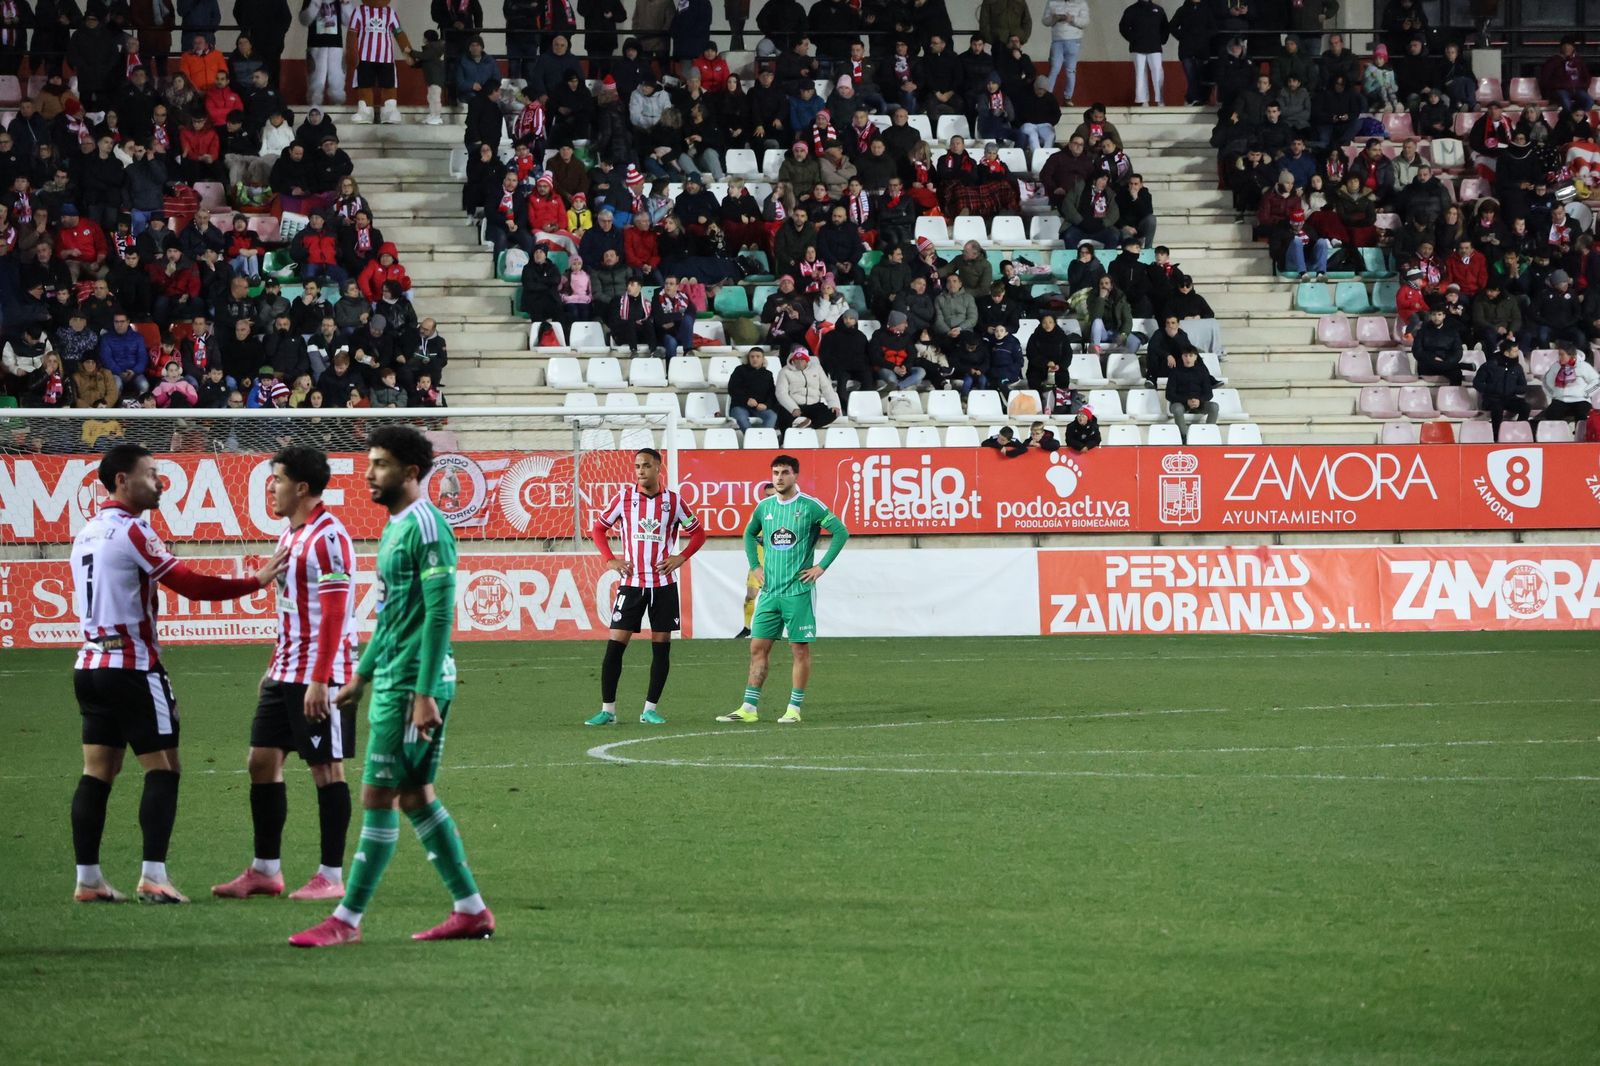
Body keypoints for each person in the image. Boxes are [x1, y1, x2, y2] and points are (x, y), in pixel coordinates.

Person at [290, 426, 493, 947]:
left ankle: (346, 920)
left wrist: (423, 692)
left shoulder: (427, 526)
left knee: (379, 795)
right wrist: (361, 675)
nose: (368, 473)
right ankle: (470, 909)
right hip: (394, 681)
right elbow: (391, 615)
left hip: (411, 688)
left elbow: (439, 613)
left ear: (409, 472)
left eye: (379, 464)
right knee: (415, 797)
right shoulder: (398, 526)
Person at [68, 445, 286, 905]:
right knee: (164, 768)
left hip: (89, 664)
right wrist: (256, 580)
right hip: (131, 666)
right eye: (151, 474)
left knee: (97, 772)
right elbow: (187, 582)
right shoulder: (134, 530)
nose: (160, 481)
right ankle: (153, 876)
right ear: (123, 480)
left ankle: (88, 879)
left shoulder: (87, 532)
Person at [211, 447, 357, 903]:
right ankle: (265, 871)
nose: (269, 488)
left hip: (322, 673)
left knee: (326, 769)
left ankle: (331, 876)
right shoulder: (290, 536)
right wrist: (274, 666)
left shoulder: (328, 537)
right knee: (261, 761)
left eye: (276, 479)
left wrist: (318, 678)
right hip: (285, 670)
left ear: (301, 487)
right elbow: (292, 609)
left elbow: (335, 613)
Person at [717, 454, 850, 725]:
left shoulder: (810, 506)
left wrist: (821, 567)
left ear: (795, 476)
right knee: (757, 647)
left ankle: (794, 708)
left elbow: (841, 532)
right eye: (775, 472)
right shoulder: (764, 507)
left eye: (784, 472)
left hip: (798, 592)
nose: (779, 477)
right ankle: (749, 708)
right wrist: (755, 565)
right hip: (770, 592)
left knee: (799, 649)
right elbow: (748, 533)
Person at [585, 448, 707, 727]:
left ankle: (649, 709)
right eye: (637, 466)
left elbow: (698, 533)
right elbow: (598, 529)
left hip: (663, 586)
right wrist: (610, 559)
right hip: (631, 584)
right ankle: (608, 710)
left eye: (646, 465)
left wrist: (681, 557)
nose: (640, 471)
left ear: (658, 468)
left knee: (661, 648)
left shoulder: (673, 502)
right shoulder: (623, 498)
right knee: (615, 646)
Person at [1473, 340, 1530, 439]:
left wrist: (1512, 388)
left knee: (1525, 407)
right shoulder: (1490, 365)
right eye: (1515, 351)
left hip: (1510, 398)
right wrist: (1492, 388)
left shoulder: (1517, 367)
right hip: (1492, 398)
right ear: (1506, 353)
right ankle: (1496, 437)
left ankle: (1518, 432)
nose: (1518, 354)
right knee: (1497, 409)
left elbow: (1523, 387)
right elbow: (1477, 383)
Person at [1535, 342, 1600, 427]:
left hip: (1580, 399)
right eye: (1559, 355)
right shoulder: (1556, 366)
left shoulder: (1583, 366)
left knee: (1582, 416)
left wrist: (1586, 393)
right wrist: (1553, 393)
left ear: (1571, 355)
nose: (1559, 357)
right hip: (1561, 399)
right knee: (1551, 414)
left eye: (1562, 355)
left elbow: (1596, 381)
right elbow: (1546, 381)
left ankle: (1580, 437)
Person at [1118, 0, 1168, 107]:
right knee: (1140, 73)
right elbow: (1123, 27)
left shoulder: (1158, 10)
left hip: (1155, 47)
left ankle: (1160, 100)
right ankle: (1143, 100)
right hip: (1137, 48)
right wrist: (1133, 39)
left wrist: (1161, 40)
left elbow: (1165, 27)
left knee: (1158, 73)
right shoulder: (1131, 10)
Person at [1165, 347, 1219, 442]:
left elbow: (1209, 393)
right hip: (1181, 403)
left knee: (1214, 406)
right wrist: (1187, 400)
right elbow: (1169, 394)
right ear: (1182, 357)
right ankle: (1184, 437)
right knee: (1177, 409)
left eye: (1191, 356)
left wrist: (1199, 400)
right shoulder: (1175, 372)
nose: (1188, 358)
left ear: (1195, 357)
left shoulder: (1202, 372)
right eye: (1185, 356)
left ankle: (1209, 434)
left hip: (1199, 403)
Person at [1041, 0, 1089, 105]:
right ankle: (1047, 96)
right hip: (1057, 40)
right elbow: (1045, 21)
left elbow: (1085, 22)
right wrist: (1054, 19)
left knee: (1070, 71)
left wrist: (1072, 19)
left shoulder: (1081, 3)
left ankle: (1068, 98)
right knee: (1054, 68)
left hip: (1074, 40)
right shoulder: (1052, 2)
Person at [729, 346, 780, 430]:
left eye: (758, 356)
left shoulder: (768, 374)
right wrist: (746, 400)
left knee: (772, 416)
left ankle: (763, 439)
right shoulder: (739, 370)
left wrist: (766, 405)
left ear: (763, 359)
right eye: (752, 356)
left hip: (760, 408)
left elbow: (771, 393)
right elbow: (732, 389)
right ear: (748, 358)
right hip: (740, 406)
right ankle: (752, 440)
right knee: (741, 418)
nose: (755, 359)